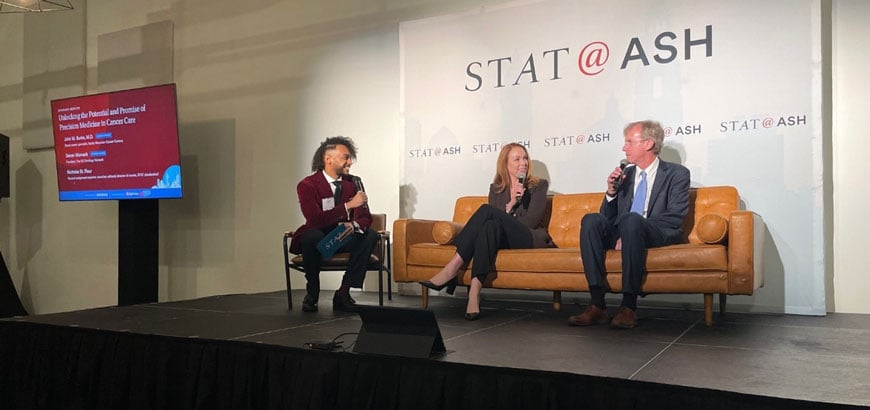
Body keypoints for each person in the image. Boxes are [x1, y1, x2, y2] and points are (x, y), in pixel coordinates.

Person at [570, 120, 690, 329]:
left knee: (631, 220)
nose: (623, 148)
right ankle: (597, 304)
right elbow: (606, 217)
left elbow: (674, 216)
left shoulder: (677, 174)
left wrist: (631, 230)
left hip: (657, 231)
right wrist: (611, 193)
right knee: (591, 220)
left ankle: (628, 307)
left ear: (648, 144)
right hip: (626, 228)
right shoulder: (626, 175)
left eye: (628, 142)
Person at [420, 143, 553, 320]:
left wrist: (512, 205)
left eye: (525, 158)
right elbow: (494, 223)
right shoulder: (497, 188)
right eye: (517, 159)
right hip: (503, 238)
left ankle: (452, 268)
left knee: (486, 211)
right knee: (489, 227)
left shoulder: (538, 185)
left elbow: (531, 221)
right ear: (505, 164)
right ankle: (474, 293)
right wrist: (510, 203)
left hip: (528, 237)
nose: (523, 162)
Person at [289, 136, 378, 313]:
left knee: (370, 235)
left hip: (342, 237)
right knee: (311, 235)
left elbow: (365, 217)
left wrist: (353, 225)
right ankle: (312, 292)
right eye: (346, 157)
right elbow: (314, 219)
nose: (350, 162)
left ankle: (343, 292)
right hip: (319, 238)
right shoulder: (307, 185)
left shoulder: (353, 183)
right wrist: (348, 206)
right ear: (328, 159)